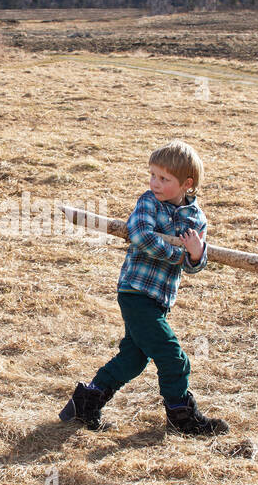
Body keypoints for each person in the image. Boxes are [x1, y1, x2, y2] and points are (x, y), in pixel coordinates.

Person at [60, 140, 229, 436]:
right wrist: (178, 254)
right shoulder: (148, 202)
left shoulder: (196, 218)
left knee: (134, 358)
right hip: (136, 293)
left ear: (187, 184)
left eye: (164, 179)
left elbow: (193, 267)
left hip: (160, 299)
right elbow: (141, 236)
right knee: (172, 356)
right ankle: (182, 417)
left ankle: (84, 405)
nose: (155, 183)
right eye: (152, 175)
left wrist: (195, 254)